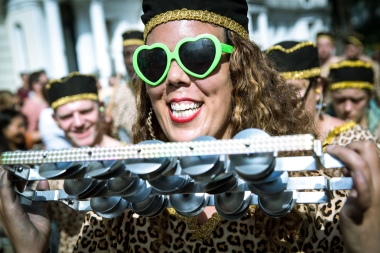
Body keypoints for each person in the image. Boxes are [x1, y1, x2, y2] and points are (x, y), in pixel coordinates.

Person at [0, 1, 379, 252]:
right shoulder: (119, 206)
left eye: (198, 55)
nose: (175, 77)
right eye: (154, 63)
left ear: (241, 71)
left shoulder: (324, 193)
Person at [44, 72, 122, 253]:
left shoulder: (133, 158)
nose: (78, 123)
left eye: (86, 111)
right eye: (66, 116)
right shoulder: (51, 170)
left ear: (101, 107)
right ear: (55, 121)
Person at [265, 40, 352, 143]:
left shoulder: (348, 137)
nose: (284, 99)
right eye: (276, 91)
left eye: (294, 90)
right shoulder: (265, 139)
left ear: (319, 88)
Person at [325, 59, 380, 138]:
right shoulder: (320, 129)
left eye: (356, 100)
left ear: (369, 97)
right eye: (340, 100)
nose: (347, 108)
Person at [105, 30, 143, 143]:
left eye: (137, 53)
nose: (131, 60)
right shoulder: (117, 95)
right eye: (126, 54)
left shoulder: (159, 89)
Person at [21, 70, 49, 147]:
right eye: (44, 83)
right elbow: (29, 134)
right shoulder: (30, 105)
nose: (48, 85)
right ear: (35, 85)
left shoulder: (47, 101)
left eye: (48, 81)